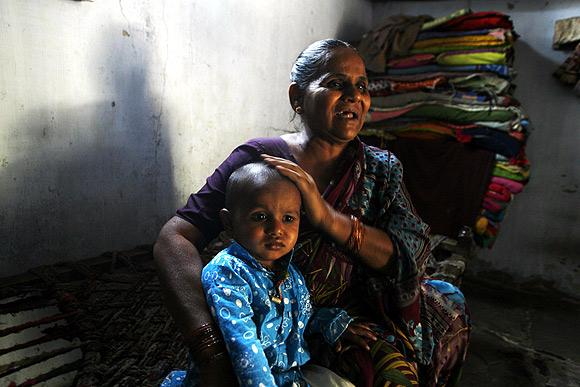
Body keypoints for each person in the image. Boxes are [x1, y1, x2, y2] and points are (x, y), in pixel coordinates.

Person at [155, 39, 470, 387]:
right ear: (297, 97)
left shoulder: (380, 170)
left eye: (362, 86)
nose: (354, 95)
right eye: (336, 83)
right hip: (263, 313)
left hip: (345, 317)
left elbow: (408, 255)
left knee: (406, 359)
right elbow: (176, 236)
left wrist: (326, 218)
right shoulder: (260, 162)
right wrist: (208, 345)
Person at [162, 162, 370, 386]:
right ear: (229, 223)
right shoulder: (227, 271)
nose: (277, 229)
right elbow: (242, 342)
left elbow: (300, 319)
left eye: (288, 218)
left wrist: (331, 324)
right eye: (260, 217)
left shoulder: (291, 273)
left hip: (287, 377)